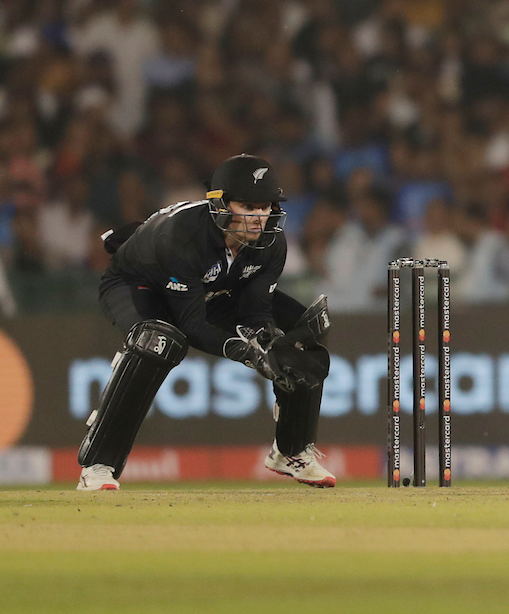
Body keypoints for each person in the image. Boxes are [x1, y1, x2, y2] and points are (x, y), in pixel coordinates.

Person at [76, 154, 335, 490]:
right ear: (220, 205)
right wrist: (246, 353)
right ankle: (98, 464)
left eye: (266, 206)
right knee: (157, 342)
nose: (259, 218)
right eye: (248, 206)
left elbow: (256, 313)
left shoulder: (272, 244)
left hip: (214, 289)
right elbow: (192, 325)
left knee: (302, 330)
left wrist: (268, 342)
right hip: (138, 284)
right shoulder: (182, 237)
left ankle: (291, 450)